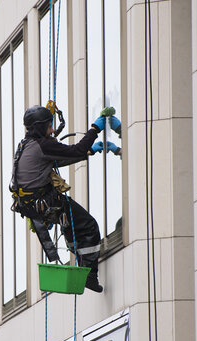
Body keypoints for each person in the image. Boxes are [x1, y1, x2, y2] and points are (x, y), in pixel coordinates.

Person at [10, 105, 121, 293]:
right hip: (45, 203)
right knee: (89, 226)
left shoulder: (25, 145)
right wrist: (95, 128)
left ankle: (82, 263)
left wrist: (89, 151)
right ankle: (89, 274)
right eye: (49, 126)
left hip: (32, 205)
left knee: (73, 227)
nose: (52, 130)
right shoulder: (42, 145)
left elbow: (57, 159)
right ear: (40, 126)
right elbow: (75, 150)